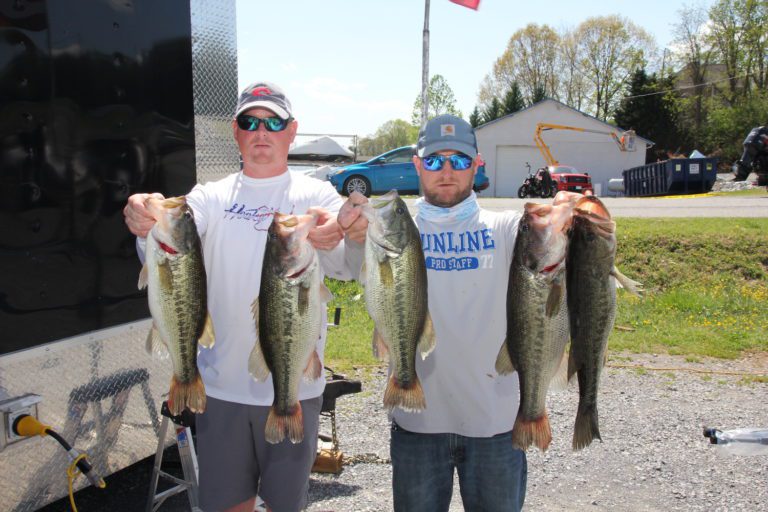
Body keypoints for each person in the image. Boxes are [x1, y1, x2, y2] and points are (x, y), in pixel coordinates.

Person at [123, 81, 356, 512]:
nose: (261, 131)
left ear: (292, 131)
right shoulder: (210, 196)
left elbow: (345, 265)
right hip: (220, 390)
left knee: (286, 505)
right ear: (236, 132)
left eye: (273, 122)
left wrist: (338, 233)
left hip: (293, 390)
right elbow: (174, 243)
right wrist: (145, 219)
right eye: (250, 122)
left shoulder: (318, 195)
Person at [341, 114, 527, 511]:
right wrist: (352, 229)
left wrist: (570, 212)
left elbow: (551, 240)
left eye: (459, 161)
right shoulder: (390, 226)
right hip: (417, 426)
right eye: (434, 160)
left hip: (494, 425)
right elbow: (348, 263)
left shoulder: (505, 227)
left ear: (477, 166)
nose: (446, 171)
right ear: (417, 164)